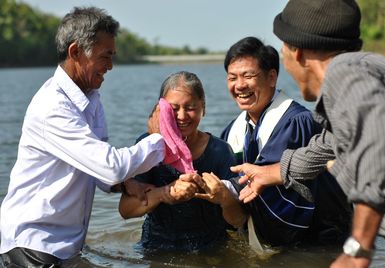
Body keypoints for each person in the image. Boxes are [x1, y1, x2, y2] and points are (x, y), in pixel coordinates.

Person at [232, 0, 385, 267]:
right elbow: (329, 145)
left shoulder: (343, 75)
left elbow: (380, 142)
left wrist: (359, 248)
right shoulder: (369, 69)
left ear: (296, 52)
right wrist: (271, 172)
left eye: (283, 49)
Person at [0, 7, 166, 267]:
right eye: (105, 56)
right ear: (75, 52)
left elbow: (96, 167)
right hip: (33, 247)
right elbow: (111, 167)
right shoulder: (53, 107)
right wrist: (158, 138)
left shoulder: (91, 100)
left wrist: (124, 185)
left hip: (64, 248)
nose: (110, 66)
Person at [220, 36, 350, 247]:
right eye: (232, 78)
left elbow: (262, 175)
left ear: (272, 77)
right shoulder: (232, 129)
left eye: (248, 76)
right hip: (279, 237)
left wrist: (221, 188)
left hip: (320, 238)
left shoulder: (295, 122)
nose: (240, 85)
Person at [119, 71, 246, 251]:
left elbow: (239, 220)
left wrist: (224, 197)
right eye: (173, 108)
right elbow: (126, 209)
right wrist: (164, 193)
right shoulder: (148, 146)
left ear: (203, 107)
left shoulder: (220, 151)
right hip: (156, 247)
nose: (181, 116)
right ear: (160, 110)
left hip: (210, 248)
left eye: (190, 107)